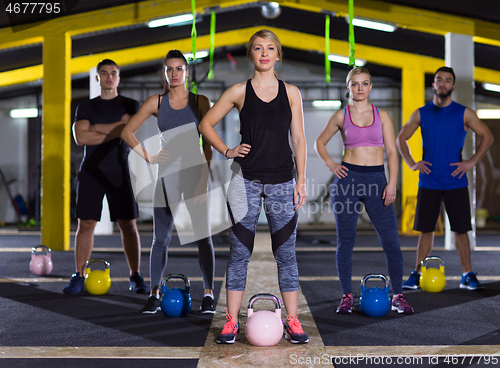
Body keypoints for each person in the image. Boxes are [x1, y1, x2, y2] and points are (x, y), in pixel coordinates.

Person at [198, 29, 309, 344]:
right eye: (258, 48)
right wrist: (227, 150)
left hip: (283, 181)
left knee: (286, 254)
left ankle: (293, 320)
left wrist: (301, 179)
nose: (264, 53)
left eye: (270, 48)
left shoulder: (291, 93)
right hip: (244, 181)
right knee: (239, 254)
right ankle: (231, 322)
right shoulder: (238, 91)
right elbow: (206, 123)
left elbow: (299, 139)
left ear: (278, 54)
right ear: (251, 54)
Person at [121, 50, 216, 314]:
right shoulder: (156, 102)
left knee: (202, 238)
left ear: (187, 72)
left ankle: (208, 294)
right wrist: (148, 156)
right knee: (160, 240)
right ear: (164, 73)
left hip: (194, 174)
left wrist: (204, 180)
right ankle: (154, 293)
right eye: (169, 69)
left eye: (179, 69)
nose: (174, 74)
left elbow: (207, 145)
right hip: (166, 177)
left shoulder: (200, 102)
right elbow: (126, 132)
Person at [315, 67, 414, 315]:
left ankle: (398, 295)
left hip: (377, 181)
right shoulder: (341, 115)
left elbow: (392, 152)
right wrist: (331, 164)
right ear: (348, 87)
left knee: (391, 242)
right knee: (345, 242)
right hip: (347, 180)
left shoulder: (383, 116)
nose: (360, 88)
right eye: (355, 84)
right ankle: (347, 295)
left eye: (365, 83)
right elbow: (319, 142)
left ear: (370, 87)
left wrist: (391, 183)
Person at [397, 66, 494, 290]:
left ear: (452, 86)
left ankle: (467, 275)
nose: (442, 83)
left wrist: (471, 162)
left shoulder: (464, 112)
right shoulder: (421, 113)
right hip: (429, 180)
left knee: (461, 229)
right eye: (438, 79)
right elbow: (401, 138)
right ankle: (416, 273)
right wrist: (412, 163)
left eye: (447, 80)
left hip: (455, 180)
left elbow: (487, 136)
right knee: (426, 230)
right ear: (433, 85)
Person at [64, 59, 147, 294]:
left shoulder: (130, 104)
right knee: (86, 224)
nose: (109, 77)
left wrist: (97, 127)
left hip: (119, 170)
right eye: (104, 73)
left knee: (127, 224)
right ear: (97, 78)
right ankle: (79, 276)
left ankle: (135, 275)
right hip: (90, 171)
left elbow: (128, 130)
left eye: (113, 73)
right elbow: (81, 138)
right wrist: (115, 130)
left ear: (119, 78)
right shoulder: (86, 107)